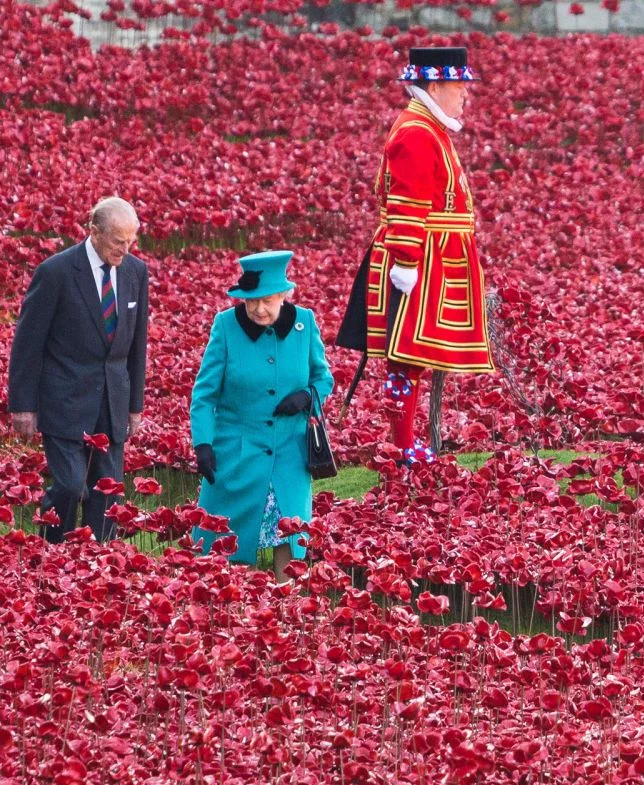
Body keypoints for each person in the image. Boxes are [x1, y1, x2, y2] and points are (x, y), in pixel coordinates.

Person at [335, 45, 494, 463]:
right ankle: (403, 445)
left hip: (434, 256)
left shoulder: (428, 126)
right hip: (421, 258)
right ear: (436, 84)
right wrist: (406, 263)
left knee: (413, 358)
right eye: (459, 84)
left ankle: (405, 442)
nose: (465, 93)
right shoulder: (417, 132)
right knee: (405, 357)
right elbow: (409, 204)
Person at [6, 197, 151, 542]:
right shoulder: (56, 272)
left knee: (108, 494)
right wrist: (22, 406)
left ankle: (98, 567)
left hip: (112, 402)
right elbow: (28, 343)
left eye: (131, 240)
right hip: (64, 400)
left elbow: (137, 344)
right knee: (71, 485)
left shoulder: (135, 272)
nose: (125, 249)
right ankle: (53, 553)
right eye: (118, 241)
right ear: (94, 232)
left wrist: (134, 406)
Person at [189, 251, 334, 577]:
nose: (258, 309)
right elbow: (204, 394)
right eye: (250, 300)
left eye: (267, 300)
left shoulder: (304, 323)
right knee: (235, 543)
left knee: (291, 537)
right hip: (237, 454)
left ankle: (288, 611)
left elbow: (323, 379)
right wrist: (203, 444)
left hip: (290, 454)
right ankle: (245, 619)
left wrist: (307, 397)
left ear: (284, 294)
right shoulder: (226, 327)